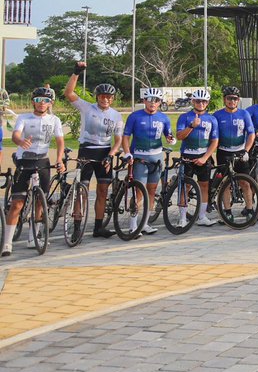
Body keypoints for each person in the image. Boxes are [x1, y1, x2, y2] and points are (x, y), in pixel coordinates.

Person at [2, 87, 66, 256]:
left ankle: (33, 237)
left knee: (40, 201)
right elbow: (15, 135)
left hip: (42, 161)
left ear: (50, 103)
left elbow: (60, 142)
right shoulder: (24, 117)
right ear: (33, 102)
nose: (41, 103)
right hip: (25, 161)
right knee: (17, 203)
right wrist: (21, 141)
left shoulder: (54, 120)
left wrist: (59, 160)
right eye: (38, 100)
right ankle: (7, 242)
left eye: (45, 100)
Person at [63, 62, 122, 239]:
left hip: (105, 153)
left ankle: (98, 227)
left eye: (109, 97)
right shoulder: (87, 108)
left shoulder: (116, 115)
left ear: (112, 99)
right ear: (97, 97)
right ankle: (76, 228)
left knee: (103, 190)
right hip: (87, 151)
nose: (105, 99)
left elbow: (118, 140)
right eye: (102, 96)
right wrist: (76, 73)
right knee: (82, 190)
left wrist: (111, 155)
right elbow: (69, 93)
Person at [121, 87, 175, 235]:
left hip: (156, 158)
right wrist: (127, 153)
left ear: (160, 102)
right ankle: (133, 225)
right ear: (144, 100)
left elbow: (168, 135)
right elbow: (125, 137)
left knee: (151, 191)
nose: (153, 103)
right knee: (139, 192)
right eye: (150, 99)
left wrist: (171, 139)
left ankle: (144, 223)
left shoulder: (164, 118)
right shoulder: (135, 116)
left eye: (156, 100)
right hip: (139, 157)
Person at [175, 88, 221, 227]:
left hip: (204, 157)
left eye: (204, 101)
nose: (201, 103)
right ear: (193, 101)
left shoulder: (212, 119)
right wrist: (191, 126)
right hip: (188, 156)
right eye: (198, 101)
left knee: (204, 186)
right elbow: (179, 136)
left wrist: (205, 157)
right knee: (186, 187)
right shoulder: (184, 117)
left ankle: (202, 216)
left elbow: (215, 141)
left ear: (207, 103)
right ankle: (182, 218)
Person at [212, 86, 257, 219]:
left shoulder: (244, 114)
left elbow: (251, 134)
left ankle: (249, 209)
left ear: (238, 100)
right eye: (229, 98)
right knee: (225, 183)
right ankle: (227, 211)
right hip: (223, 152)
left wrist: (246, 150)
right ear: (224, 99)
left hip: (240, 152)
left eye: (235, 98)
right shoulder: (217, 115)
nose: (232, 101)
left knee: (245, 182)